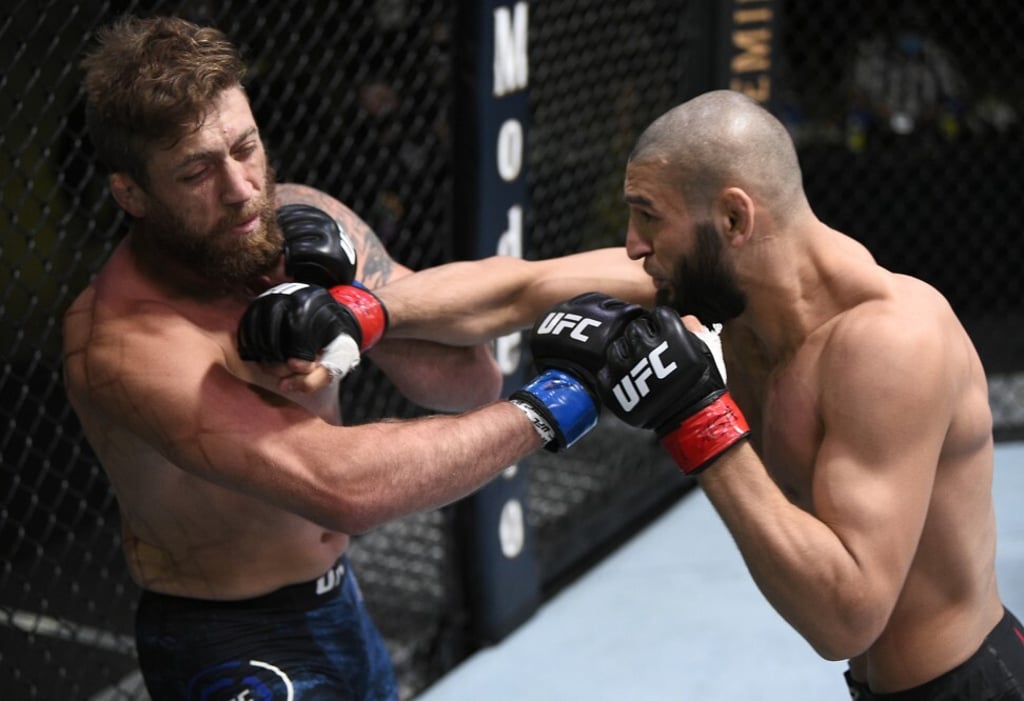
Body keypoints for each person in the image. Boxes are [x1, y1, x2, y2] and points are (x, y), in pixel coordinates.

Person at [63, 15, 654, 700]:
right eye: (197, 171)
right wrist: (567, 397)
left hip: (341, 604)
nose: (240, 188)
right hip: (229, 643)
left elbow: (470, 379)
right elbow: (343, 487)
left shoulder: (296, 219)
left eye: (245, 147)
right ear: (130, 193)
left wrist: (356, 308)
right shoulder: (121, 340)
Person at [574, 89, 1024, 699]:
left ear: (734, 219)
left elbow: (847, 617)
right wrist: (394, 307)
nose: (631, 244)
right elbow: (521, 286)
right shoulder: (738, 319)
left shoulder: (887, 343)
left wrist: (695, 418)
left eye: (648, 215)